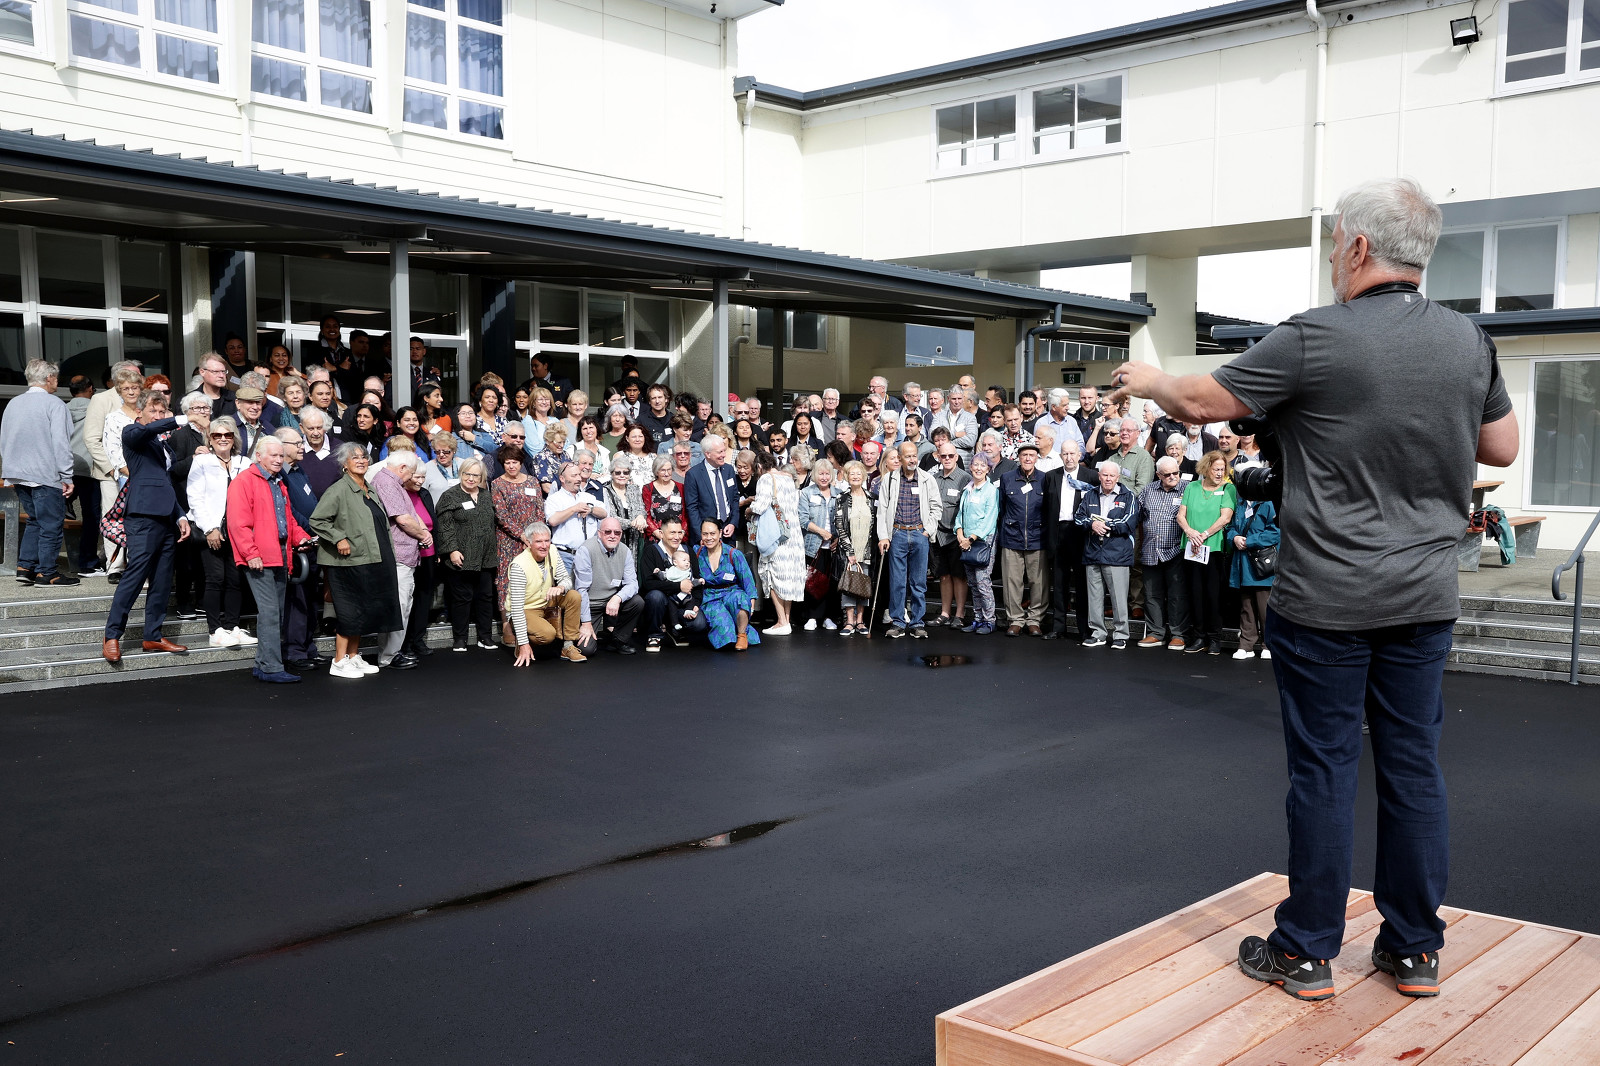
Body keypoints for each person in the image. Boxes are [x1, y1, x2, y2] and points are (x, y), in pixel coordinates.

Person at [1110, 178, 1522, 1000]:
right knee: (1413, 769)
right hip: (1423, 598)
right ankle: (1414, 950)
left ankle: (1306, 951)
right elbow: (1502, 447)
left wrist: (1149, 379)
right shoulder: (1469, 341)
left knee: (1325, 771)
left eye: (1337, 242)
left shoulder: (1315, 336)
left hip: (1327, 600)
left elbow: (1200, 401)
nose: (1335, 256)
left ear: (1359, 247)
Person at [101, 389, 192, 662]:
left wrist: (180, 515)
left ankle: (153, 635)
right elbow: (147, 430)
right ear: (139, 412)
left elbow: (165, 483)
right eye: (153, 410)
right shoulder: (132, 432)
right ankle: (112, 635)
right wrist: (180, 419)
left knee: (162, 580)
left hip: (166, 518)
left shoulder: (162, 445)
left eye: (162, 411)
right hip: (142, 517)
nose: (158, 415)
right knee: (135, 575)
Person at [309, 444, 401, 678]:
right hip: (348, 562)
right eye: (354, 458)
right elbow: (318, 520)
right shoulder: (338, 489)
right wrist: (338, 538)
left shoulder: (369, 488)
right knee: (349, 612)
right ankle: (339, 661)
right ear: (344, 464)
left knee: (363, 611)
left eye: (363, 457)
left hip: (370, 559)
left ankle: (352, 656)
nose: (361, 460)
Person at [224, 438, 310, 683]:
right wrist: (251, 553)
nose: (278, 460)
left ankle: (264, 665)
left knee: (276, 613)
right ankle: (271, 667)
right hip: (259, 557)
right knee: (271, 612)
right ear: (259, 456)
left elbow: (287, 519)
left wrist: (301, 537)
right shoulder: (244, 481)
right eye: (273, 455)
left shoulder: (278, 482)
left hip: (281, 554)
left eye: (281, 456)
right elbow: (238, 523)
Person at [1, 359, 77, 587]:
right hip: (44, 472)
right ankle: (48, 573)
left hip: (17, 471)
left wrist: (9, 467)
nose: (57, 382)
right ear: (49, 378)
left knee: (34, 520)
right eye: (56, 378)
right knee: (51, 524)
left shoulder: (13, 403)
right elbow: (61, 443)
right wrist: (67, 475)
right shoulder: (54, 404)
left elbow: (4, 439)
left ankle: (25, 567)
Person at [187, 415, 251, 648]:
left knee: (235, 579)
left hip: (236, 531)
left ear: (234, 438)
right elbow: (195, 497)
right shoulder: (202, 462)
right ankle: (215, 630)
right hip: (211, 529)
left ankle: (233, 627)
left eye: (227, 434)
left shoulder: (245, 463)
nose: (223, 439)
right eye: (217, 435)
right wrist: (210, 529)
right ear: (210, 439)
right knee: (215, 579)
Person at [367, 451, 431, 671]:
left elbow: (410, 513)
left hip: (404, 554)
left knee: (401, 605)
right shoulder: (387, 483)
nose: (412, 478)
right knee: (399, 606)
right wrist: (423, 535)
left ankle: (392, 652)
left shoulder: (393, 483)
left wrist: (423, 530)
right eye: (411, 473)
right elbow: (403, 519)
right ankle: (389, 655)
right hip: (398, 554)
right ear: (402, 468)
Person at [274, 427, 331, 672]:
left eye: (301, 442)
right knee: (296, 601)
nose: (302, 447)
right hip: (298, 544)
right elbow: (290, 510)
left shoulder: (299, 470)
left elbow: (313, 504)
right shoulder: (281, 474)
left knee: (309, 599)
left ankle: (308, 647)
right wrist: (312, 529)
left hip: (313, 542)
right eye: (297, 443)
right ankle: (294, 651)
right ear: (281, 446)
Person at [1175, 451, 1237, 656]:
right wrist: (1190, 532)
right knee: (1195, 594)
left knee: (1213, 595)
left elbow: (1225, 518)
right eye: (1216, 469)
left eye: (1222, 469)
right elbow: (1181, 516)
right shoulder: (1192, 487)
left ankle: (1215, 638)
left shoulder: (1228, 488)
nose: (1219, 473)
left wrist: (1203, 535)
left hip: (1214, 549)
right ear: (1206, 468)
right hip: (1191, 548)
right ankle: (1199, 636)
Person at [434, 458, 499, 652]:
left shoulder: (486, 495)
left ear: (481, 477)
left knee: (485, 598)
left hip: (486, 557)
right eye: (467, 474)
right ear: (461, 474)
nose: (471, 478)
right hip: (461, 556)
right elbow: (444, 527)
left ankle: (485, 637)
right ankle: (460, 639)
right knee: (462, 599)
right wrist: (452, 550)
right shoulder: (450, 496)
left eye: (475, 475)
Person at [875, 441, 939, 638]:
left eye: (914, 456)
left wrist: (927, 531)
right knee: (897, 582)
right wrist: (883, 536)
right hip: (898, 534)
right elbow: (882, 510)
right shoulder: (890, 479)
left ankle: (918, 622)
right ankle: (898, 622)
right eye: (908, 456)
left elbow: (936, 507)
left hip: (919, 533)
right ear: (900, 458)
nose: (912, 459)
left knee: (918, 582)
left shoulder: (927, 479)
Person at [1074, 460, 1139, 649]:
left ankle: (1121, 635)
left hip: (1117, 554)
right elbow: (1078, 518)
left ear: (1117, 477)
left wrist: (1105, 526)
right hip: (1093, 552)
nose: (1108, 478)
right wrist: (1092, 524)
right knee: (1094, 597)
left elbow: (1129, 522)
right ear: (1099, 476)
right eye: (1105, 475)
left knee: (1119, 598)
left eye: (1112, 475)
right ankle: (1098, 634)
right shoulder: (1090, 494)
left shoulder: (1128, 496)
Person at [507, 522, 585, 665]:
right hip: (526, 609)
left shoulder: (553, 551)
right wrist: (524, 643)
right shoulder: (519, 565)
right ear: (529, 543)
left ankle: (568, 646)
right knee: (548, 635)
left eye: (547, 540)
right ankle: (523, 639)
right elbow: (516, 608)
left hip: (546, 602)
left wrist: (560, 587)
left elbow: (566, 579)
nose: (544, 545)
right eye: (538, 542)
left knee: (573, 596)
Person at [1135, 456, 1191, 649]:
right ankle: (1155, 633)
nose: (1173, 477)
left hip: (1176, 550)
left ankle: (1178, 634)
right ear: (1158, 475)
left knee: (1177, 595)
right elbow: (1136, 514)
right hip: (1151, 550)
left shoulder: (1188, 489)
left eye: (1176, 473)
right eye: (1167, 474)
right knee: (1152, 595)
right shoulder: (1148, 490)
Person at [995, 440, 1049, 636]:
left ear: (1037, 458)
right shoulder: (1007, 478)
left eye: (1031, 455)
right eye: (1024, 455)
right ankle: (1015, 620)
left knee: (1039, 583)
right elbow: (1001, 507)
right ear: (1018, 458)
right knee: (1012, 582)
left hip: (1038, 538)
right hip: (1012, 537)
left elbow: (1048, 509)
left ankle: (1035, 620)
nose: (1028, 458)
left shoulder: (1045, 479)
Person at [748, 457, 804, 636]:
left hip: (775, 536)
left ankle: (781, 622)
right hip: (792, 534)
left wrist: (748, 508)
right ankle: (786, 620)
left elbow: (760, 507)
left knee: (772, 575)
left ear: (759, 466)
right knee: (787, 578)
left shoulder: (766, 478)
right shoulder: (788, 478)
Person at [572, 517, 644, 655]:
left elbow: (633, 584)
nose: (612, 536)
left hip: (611, 602)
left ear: (621, 534)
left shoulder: (625, 551)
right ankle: (597, 632)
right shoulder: (586, 550)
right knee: (586, 650)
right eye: (608, 532)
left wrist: (617, 598)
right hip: (590, 605)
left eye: (617, 532)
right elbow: (581, 590)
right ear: (599, 533)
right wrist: (586, 623)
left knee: (637, 602)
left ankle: (618, 640)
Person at [638, 517, 710, 651]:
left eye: (679, 532)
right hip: (661, 604)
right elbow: (648, 584)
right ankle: (654, 635)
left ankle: (675, 630)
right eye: (672, 533)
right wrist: (679, 586)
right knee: (655, 596)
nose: (677, 537)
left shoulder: (688, 551)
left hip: (682, 604)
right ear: (661, 533)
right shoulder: (651, 551)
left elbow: (697, 579)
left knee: (699, 624)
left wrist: (695, 604)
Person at [491, 444, 545, 613]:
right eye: (507, 463)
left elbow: (539, 510)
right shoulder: (497, 484)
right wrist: (522, 536)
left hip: (533, 540)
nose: (511, 466)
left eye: (514, 462)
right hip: (508, 541)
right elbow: (501, 515)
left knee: (533, 577)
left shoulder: (533, 481)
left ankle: (532, 615)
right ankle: (506, 621)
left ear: (521, 462)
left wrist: (534, 537)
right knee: (506, 579)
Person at [693, 519, 760, 650]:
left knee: (741, 599)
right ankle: (730, 635)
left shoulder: (733, 554)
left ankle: (742, 635)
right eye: (705, 534)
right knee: (724, 627)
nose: (709, 538)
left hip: (731, 592)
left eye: (712, 533)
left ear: (720, 533)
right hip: (710, 597)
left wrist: (750, 606)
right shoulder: (697, 553)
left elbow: (748, 582)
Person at [1227, 494, 1279, 659]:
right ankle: (1246, 644)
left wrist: (1249, 541)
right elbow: (1230, 527)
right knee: (1246, 606)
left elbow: (1275, 532)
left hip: (1262, 563)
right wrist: (1234, 538)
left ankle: (1268, 644)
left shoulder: (1269, 503)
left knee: (1265, 608)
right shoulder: (1240, 504)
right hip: (1243, 563)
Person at [953, 452, 1000, 635]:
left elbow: (989, 520)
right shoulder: (967, 489)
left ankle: (989, 620)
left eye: (983, 465)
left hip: (982, 542)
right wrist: (959, 533)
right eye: (976, 465)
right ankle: (978, 619)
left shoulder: (991, 491)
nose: (979, 468)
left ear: (988, 469)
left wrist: (971, 538)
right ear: (971, 467)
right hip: (966, 542)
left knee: (983, 582)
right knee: (972, 583)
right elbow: (960, 514)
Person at [927, 441, 971, 627]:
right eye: (943, 456)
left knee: (959, 576)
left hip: (956, 535)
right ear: (938, 457)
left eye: (950, 456)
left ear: (957, 457)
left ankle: (959, 614)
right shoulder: (933, 479)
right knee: (943, 575)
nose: (947, 459)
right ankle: (945, 613)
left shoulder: (965, 478)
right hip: (937, 535)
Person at [66, 374, 106, 577]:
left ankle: (42, 563)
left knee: (52, 515)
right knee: (91, 516)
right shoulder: (97, 409)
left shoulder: (63, 410)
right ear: (90, 388)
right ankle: (87, 562)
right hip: (90, 467)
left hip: (67, 468)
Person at [796, 460, 841, 631]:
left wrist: (837, 538)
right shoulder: (807, 493)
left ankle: (828, 617)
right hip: (814, 544)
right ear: (815, 475)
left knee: (832, 583)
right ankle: (812, 617)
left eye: (827, 474)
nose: (824, 477)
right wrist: (822, 533)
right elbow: (803, 519)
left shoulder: (839, 494)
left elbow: (843, 520)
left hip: (834, 546)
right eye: (821, 474)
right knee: (813, 582)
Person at [601, 455, 647, 558]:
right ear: (612, 474)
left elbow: (641, 509)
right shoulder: (605, 491)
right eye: (618, 473)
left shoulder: (634, 489)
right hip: (614, 539)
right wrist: (632, 523)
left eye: (625, 473)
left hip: (634, 540)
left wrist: (640, 517)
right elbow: (611, 516)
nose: (622, 475)